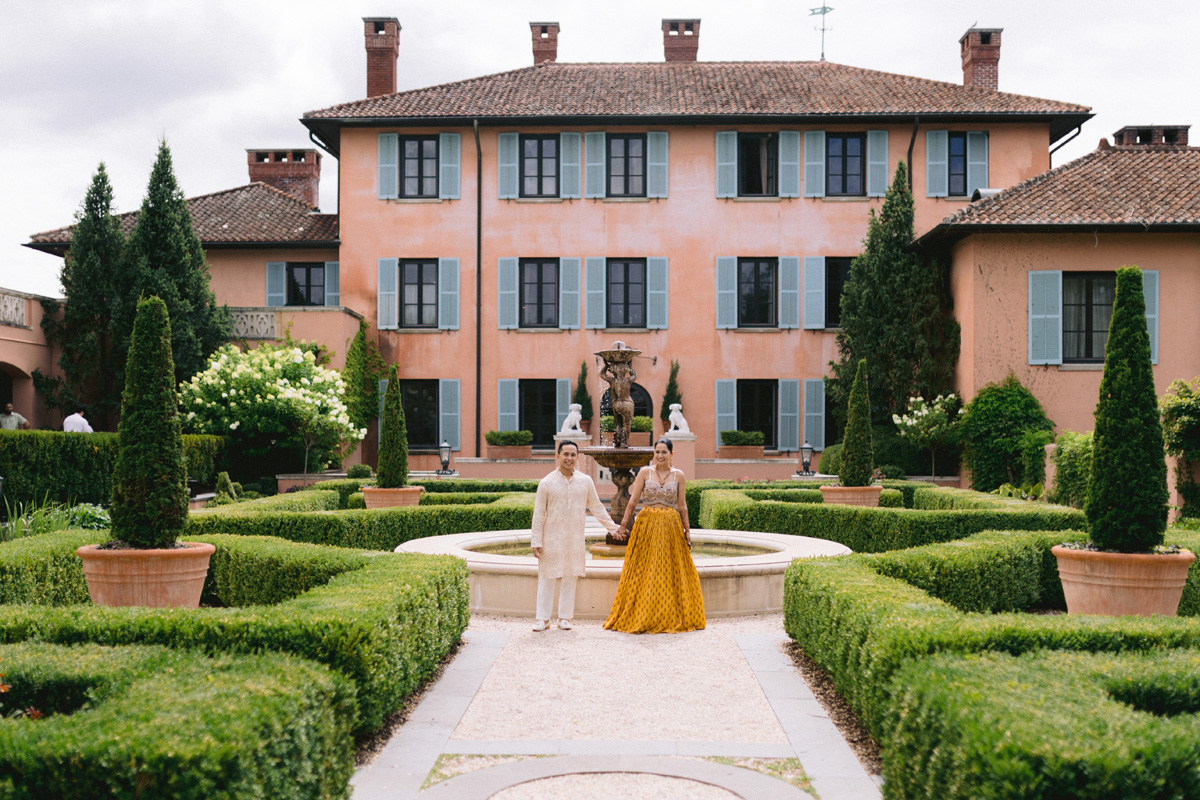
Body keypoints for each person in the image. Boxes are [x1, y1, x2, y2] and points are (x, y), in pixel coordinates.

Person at [604, 437, 706, 634]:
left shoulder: (679, 476)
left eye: (664, 452)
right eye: (657, 452)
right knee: (645, 568)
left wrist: (687, 531)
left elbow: (682, 505)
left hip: (670, 525)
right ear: (654, 453)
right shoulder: (644, 472)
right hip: (647, 523)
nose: (660, 455)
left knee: (670, 569)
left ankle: (668, 614)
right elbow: (633, 501)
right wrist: (623, 526)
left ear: (671, 454)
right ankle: (643, 613)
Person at [530, 439, 618, 632]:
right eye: (566, 454)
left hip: (574, 537)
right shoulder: (546, 483)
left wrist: (613, 528)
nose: (569, 458)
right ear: (558, 456)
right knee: (547, 576)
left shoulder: (585, 481)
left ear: (577, 457)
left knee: (570, 576)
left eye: (573, 455)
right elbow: (538, 513)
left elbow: (596, 507)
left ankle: (564, 618)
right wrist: (536, 540)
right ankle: (543, 619)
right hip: (550, 537)